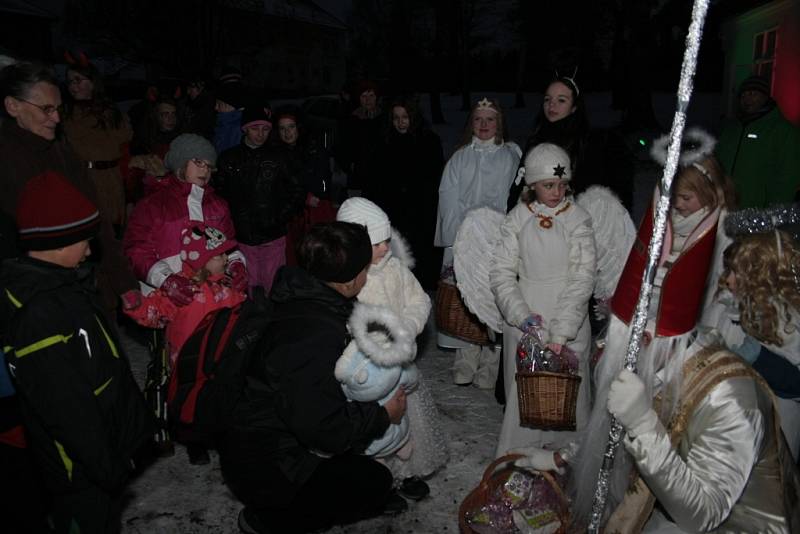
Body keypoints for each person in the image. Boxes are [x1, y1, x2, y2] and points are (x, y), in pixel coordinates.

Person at [220, 222, 408, 534]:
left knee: (364, 465)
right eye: (365, 269)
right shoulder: (311, 336)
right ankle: (273, 519)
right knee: (374, 483)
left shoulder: (301, 294)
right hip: (265, 465)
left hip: (266, 440)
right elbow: (325, 429)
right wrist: (382, 415)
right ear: (348, 281)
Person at [1, 170, 154, 534]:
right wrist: (107, 467)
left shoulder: (65, 285)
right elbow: (65, 409)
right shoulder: (39, 315)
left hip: (100, 450)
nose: (89, 249)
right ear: (56, 241)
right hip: (80, 470)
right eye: (84, 240)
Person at [0, 61, 138, 307]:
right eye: (46, 109)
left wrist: (123, 279)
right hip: (27, 295)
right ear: (13, 106)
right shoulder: (8, 159)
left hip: (77, 284)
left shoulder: (63, 154)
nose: (55, 118)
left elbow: (97, 220)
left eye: (58, 109)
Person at [337, 198, 448, 499]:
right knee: (374, 428)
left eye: (386, 240)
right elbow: (347, 323)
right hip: (367, 369)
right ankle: (376, 483)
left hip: (401, 361)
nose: (385, 249)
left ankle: (405, 473)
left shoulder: (395, 268)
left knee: (406, 419)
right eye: (376, 244)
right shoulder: (349, 280)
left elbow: (420, 299)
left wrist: (408, 327)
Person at [491, 143, 596, 455]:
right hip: (526, 319)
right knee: (526, 396)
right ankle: (520, 461)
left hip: (569, 319)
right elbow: (501, 273)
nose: (557, 192)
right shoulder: (517, 219)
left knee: (567, 399)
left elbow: (582, 277)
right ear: (532, 184)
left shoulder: (578, 220)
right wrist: (520, 315)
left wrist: (562, 331)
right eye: (549, 185)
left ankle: (567, 462)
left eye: (563, 184)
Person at [435, 97, 521, 387]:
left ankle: (491, 358)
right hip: (465, 239)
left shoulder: (509, 157)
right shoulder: (460, 157)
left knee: (492, 298)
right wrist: (457, 236)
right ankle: (466, 356)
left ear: (499, 124)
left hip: (496, 239)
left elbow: (514, 198)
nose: (484, 126)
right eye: (478, 120)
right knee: (463, 298)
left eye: (490, 120)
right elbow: (448, 197)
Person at [124, 133, 246, 299]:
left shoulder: (218, 206)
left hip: (208, 296)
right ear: (181, 163)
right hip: (162, 298)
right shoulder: (152, 205)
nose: (205, 169)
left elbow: (229, 244)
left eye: (209, 166)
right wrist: (166, 280)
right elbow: (137, 250)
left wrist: (236, 264)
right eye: (198, 162)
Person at [715, 228, 800, 459]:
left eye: (736, 272)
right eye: (728, 270)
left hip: (777, 420)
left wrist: (758, 358)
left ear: (759, 276)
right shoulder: (731, 306)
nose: (727, 279)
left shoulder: (786, 321)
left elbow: (795, 383)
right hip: (737, 413)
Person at [506, 75, 634, 212]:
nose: (551, 104)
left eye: (561, 100)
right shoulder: (536, 139)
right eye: (547, 99)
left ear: (574, 107)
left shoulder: (588, 144)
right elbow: (519, 185)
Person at [215, 105, 305, 293]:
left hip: (273, 234)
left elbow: (296, 191)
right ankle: (252, 320)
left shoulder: (281, 156)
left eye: (265, 129)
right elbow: (219, 196)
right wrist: (233, 222)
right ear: (245, 128)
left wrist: (279, 218)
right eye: (255, 128)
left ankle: (272, 319)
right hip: (243, 235)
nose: (260, 134)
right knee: (248, 285)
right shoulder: (228, 158)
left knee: (273, 285)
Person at [370, 97, 445, 289]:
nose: (400, 122)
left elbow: (435, 177)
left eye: (405, 117)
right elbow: (378, 179)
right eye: (396, 117)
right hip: (394, 212)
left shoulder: (429, 141)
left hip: (421, 212)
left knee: (421, 259)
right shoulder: (384, 141)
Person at [62, 56, 133, 229]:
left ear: (93, 82)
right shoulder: (65, 114)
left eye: (78, 80)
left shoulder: (112, 114)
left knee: (113, 230)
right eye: (70, 81)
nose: (73, 85)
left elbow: (125, 148)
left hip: (111, 179)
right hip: (83, 178)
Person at [716, 75, 800, 208]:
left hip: (757, 211)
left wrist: (773, 211)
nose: (747, 99)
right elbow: (717, 163)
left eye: (753, 94)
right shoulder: (730, 128)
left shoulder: (783, 131)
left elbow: (788, 177)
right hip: (724, 206)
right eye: (743, 95)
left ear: (766, 97)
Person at [273, 106, 336, 265]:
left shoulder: (314, 148)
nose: (287, 133)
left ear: (298, 127)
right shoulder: (276, 154)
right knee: (296, 255)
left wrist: (315, 194)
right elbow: (279, 186)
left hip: (316, 210)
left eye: (291, 127)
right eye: (282, 129)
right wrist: (302, 197)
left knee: (321, 252)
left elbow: (324, 181)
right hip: (292, 214)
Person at [339, 80, 384, 195]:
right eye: (364, 96)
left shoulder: (385, 119)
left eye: (371, 96)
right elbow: (343, 147)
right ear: (359, 98)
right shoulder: (351, 120)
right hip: (358, 177)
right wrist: (349, 166)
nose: (368, 99)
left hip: (381, 176)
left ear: (376, 97)